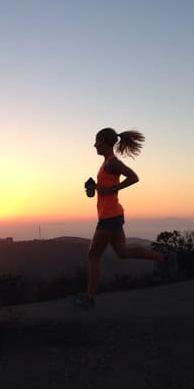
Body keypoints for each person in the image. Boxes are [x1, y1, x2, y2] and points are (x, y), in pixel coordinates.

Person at [71, 128, 165, 309]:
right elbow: (108, 186)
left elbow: (134, 177)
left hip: (109, 217)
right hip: (113, 215)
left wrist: (113, 189)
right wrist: (96, 187)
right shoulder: (106, 163)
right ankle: (161, 258)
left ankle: (89, 299)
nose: (94, 145)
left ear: (105, 143)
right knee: (122, 253)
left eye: (97, 141)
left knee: (93, 256)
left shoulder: (112, 163)